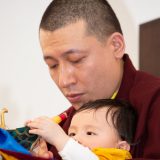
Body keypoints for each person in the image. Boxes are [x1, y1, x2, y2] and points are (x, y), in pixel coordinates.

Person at [37, 0, 160, 159]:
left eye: (76, 60)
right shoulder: (60, 130)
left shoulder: (154, 103)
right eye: (52, 65)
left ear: (116, 46)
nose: (64, 81)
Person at [27, 99, 137, 160]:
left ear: (121, 147)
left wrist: (59, 138)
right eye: (72, 134)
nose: (75, 139)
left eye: (89, 133)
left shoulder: (115, 157)